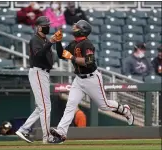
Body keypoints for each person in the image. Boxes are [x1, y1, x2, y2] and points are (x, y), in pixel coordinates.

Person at [48, 20, 134, 144]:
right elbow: (61, 54)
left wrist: (71, 57)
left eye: (76, 26)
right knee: (70, 105)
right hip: (78, 79)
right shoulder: (73, 43)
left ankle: (124, 110)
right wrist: (58, 41)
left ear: (82, 30)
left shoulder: (87, 44)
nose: (74, 27)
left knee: (104, 106)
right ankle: (61, 134)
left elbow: (88, 61)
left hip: (92, 78)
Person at [15, 16, 63, 144]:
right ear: (39, 27)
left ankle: (24, 129)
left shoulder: (45, 39)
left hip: (44, 73)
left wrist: (56, 41)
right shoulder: (35, 39)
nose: (48, 26)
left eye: (48, 24)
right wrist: (50, 42)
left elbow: (55, 55)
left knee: (41, 107)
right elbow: (38, 54)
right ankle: (47, 137)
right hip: (38, 72)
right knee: (45, 107)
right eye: (46, 25)